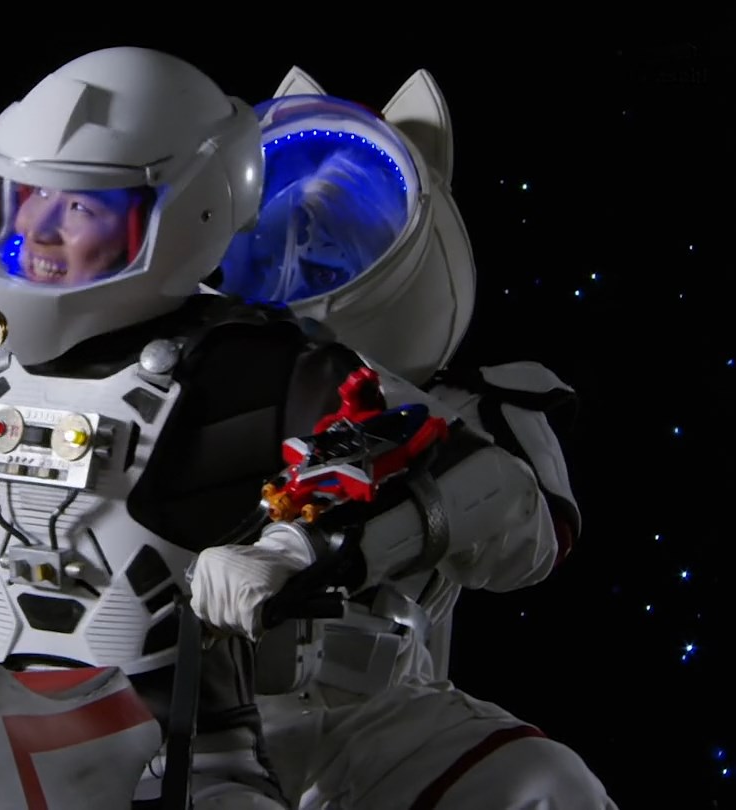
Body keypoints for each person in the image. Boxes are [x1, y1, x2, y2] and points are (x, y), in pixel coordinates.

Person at [0, 4, 608, 807]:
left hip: (252, 726)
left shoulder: (264, 367)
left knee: (538, 786)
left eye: (80, 207)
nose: (36, 233)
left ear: (188, 214)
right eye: (25, 198)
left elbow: (458, 474)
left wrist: (302, 544)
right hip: (49, 719)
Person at [188, 75, 617, 808]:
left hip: (377, 722)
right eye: (286, 250)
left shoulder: (473, 410)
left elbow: (528, 542)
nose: (301, 275)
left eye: (329, 259)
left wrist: (325, 538)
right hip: (184, 710)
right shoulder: (187, 381)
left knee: (544, 789)